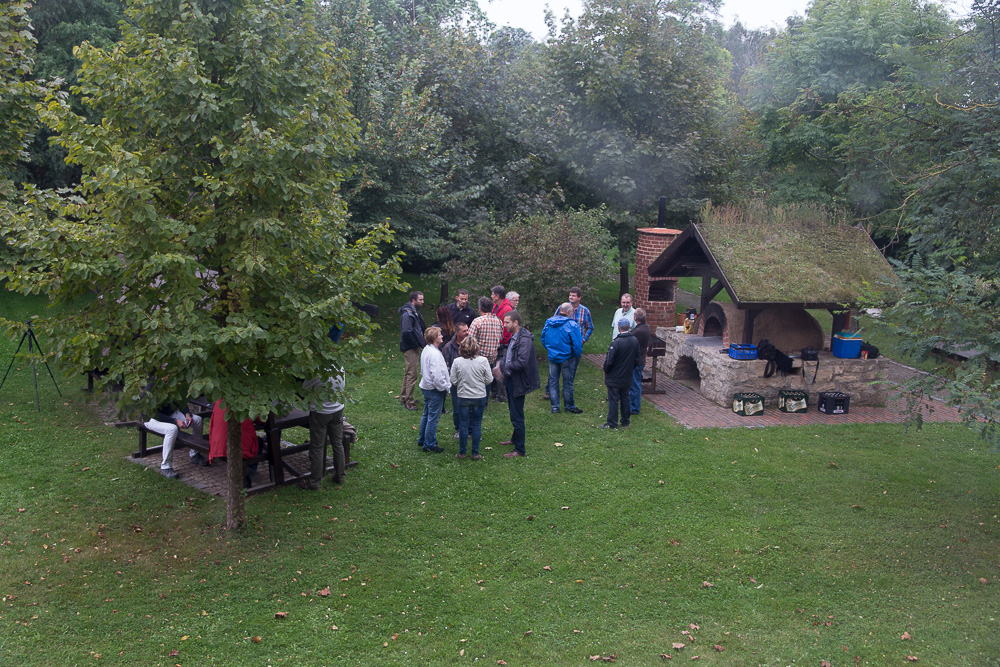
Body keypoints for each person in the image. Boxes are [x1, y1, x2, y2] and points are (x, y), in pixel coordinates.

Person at [499, 311, 540, 458]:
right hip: (512, 379)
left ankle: (520, 450)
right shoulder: (515, 337)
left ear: (515, 323)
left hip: (519, 381)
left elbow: (522, 362)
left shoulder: (524, 340)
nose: (505, 325)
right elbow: (510, 356)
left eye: (507, 322)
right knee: (514, 411)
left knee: (517, 415)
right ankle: (514, 439)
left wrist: (503, 367)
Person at [450, 335, 493, 460]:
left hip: (463, 396)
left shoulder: (457, 362)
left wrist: (461, 383)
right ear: (476, 348)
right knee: (477, 424)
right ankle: (475, 453)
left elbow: (453, 380)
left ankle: (462, 452)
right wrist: (481, 383)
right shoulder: (483, 361)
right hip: (479, 396)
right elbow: (489, 379)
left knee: (463, 424)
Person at [302, 372, 346, 490]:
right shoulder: (339, 367)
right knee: (337, 443)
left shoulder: (316, 372)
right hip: (337, 410)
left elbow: (304, 388)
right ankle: (340, 476)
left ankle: (314, 481)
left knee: (317, 447)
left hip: (320, 412)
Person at [206, 399, 262, 488]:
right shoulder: (246, 402)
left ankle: (247, 472)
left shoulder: (219, 401)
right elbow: (261, 419)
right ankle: (248, 473)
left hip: (217, 446)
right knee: (258, 443)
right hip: (236, 446)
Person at [143, 398, 204, 478]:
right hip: (151, 418)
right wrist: (175, 421)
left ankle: (195, 454)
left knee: (197, 420)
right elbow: (153, 414)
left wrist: (187, 413)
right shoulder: (150, 388)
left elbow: (180, 400)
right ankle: (165, 466)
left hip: (170, 414)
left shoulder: (172, 386)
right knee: (172, 429)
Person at [541, 302, 583, 414]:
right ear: (569, 312)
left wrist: (550, 349)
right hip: (567, 357)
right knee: (567, 383)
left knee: (553, 382)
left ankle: (555, 407)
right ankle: (569, 406)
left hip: (553, 357)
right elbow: (577, 345)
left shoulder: (549, 322)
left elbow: (543, 338)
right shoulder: (572, 325)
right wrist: (576, 355)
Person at [602, 318, 641, 429]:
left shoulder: (617, 342)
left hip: (615, 376)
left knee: (613, 400)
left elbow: (609, 361)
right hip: (627, 375)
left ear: (618, 327)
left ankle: (612, 423)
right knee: (625, 398)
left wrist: (607, 370)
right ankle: (625, 421)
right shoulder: (634, 340)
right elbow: (637, 359)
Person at [417, 327, 450, 453]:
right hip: (434, 389)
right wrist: (445, 387)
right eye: (440, 335)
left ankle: (422, 439)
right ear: (434, 338)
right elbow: (437, 375)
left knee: (426, 414)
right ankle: (429, 444)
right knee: (433, 418)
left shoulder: (426, 350)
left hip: (426, 386)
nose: (442, 336)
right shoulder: (435, 354)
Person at [398, 291, 426, 411]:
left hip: (413, 346)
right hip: (410, 347)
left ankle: (404, 397)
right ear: (413, 300)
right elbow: (406, 332)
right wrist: (415, 344)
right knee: (412, 374)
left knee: (408, 372)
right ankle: (409, 401)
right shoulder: (408, 314)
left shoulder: (414, 312)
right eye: (420, 300)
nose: (422, 302)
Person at [442, 322, 470, 438]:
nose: (467, 333)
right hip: (456, 383)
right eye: (464, 331)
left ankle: (471, 430)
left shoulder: (471, 344)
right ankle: (458, 429)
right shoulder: (448, 347)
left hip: (469, 382)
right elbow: (445, 366)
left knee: (471, 407)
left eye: (467, 330)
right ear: (457, 333)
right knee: (457, 407)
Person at [468, 296, 503, 366]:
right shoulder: (499, 321)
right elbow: (500, 338)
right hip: (492, 361)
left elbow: (469, 341)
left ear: (480, 309)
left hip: (478, 360)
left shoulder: (477, 322)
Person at [629, 308, 651, 416]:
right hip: (640, 360)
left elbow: (629, 339)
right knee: (633, 384)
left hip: (637, 362)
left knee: (635, 385)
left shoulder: (639, 331)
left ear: (635, 318)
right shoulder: (645, 327)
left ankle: (634, 408)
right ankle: (632, 404)